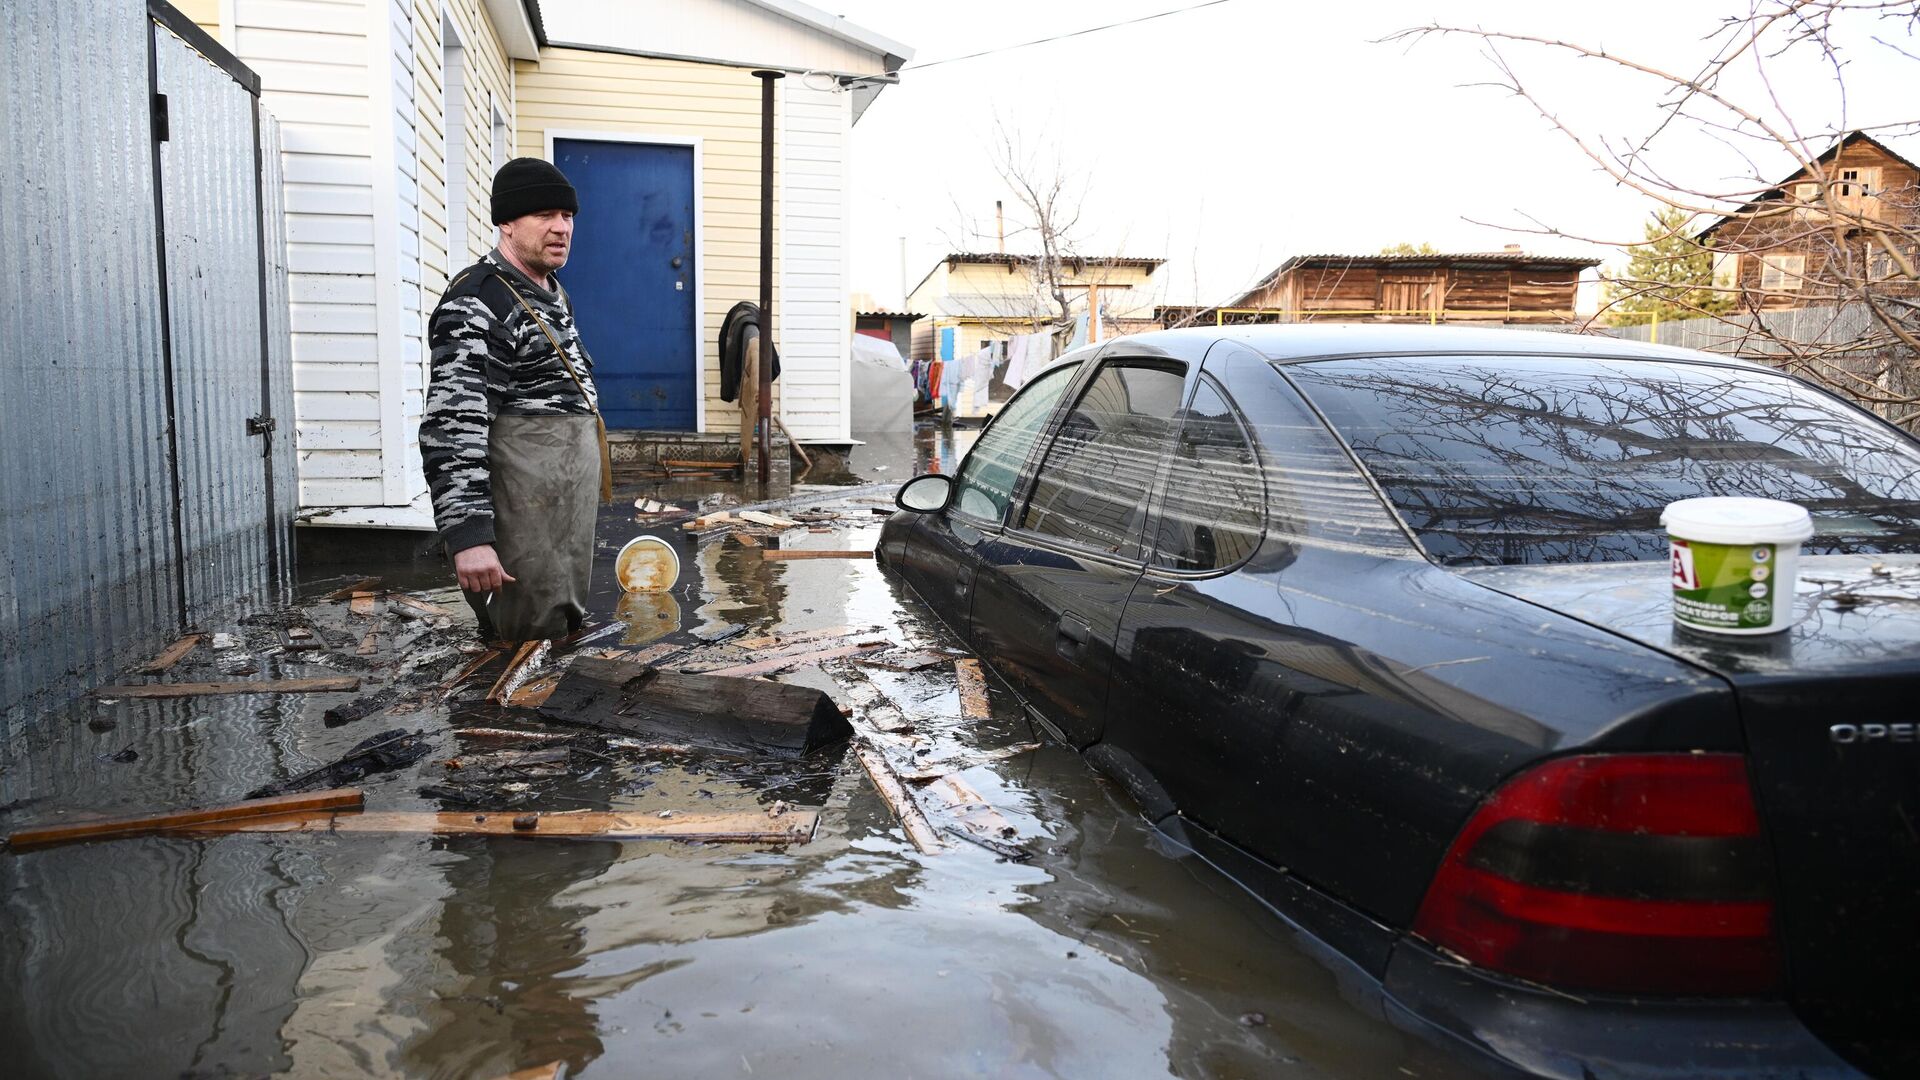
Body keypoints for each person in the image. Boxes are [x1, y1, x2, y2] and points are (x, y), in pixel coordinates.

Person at [420, 158, 612, 643]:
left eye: (568, 217)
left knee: (558, 634)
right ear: (506, 221)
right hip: (518, 515)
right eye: (545, 215)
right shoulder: (480, 300)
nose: (561, 228)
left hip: (558, 508)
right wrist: (470, 539)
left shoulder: (550, 292)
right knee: (522, 648)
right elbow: (452, 427)